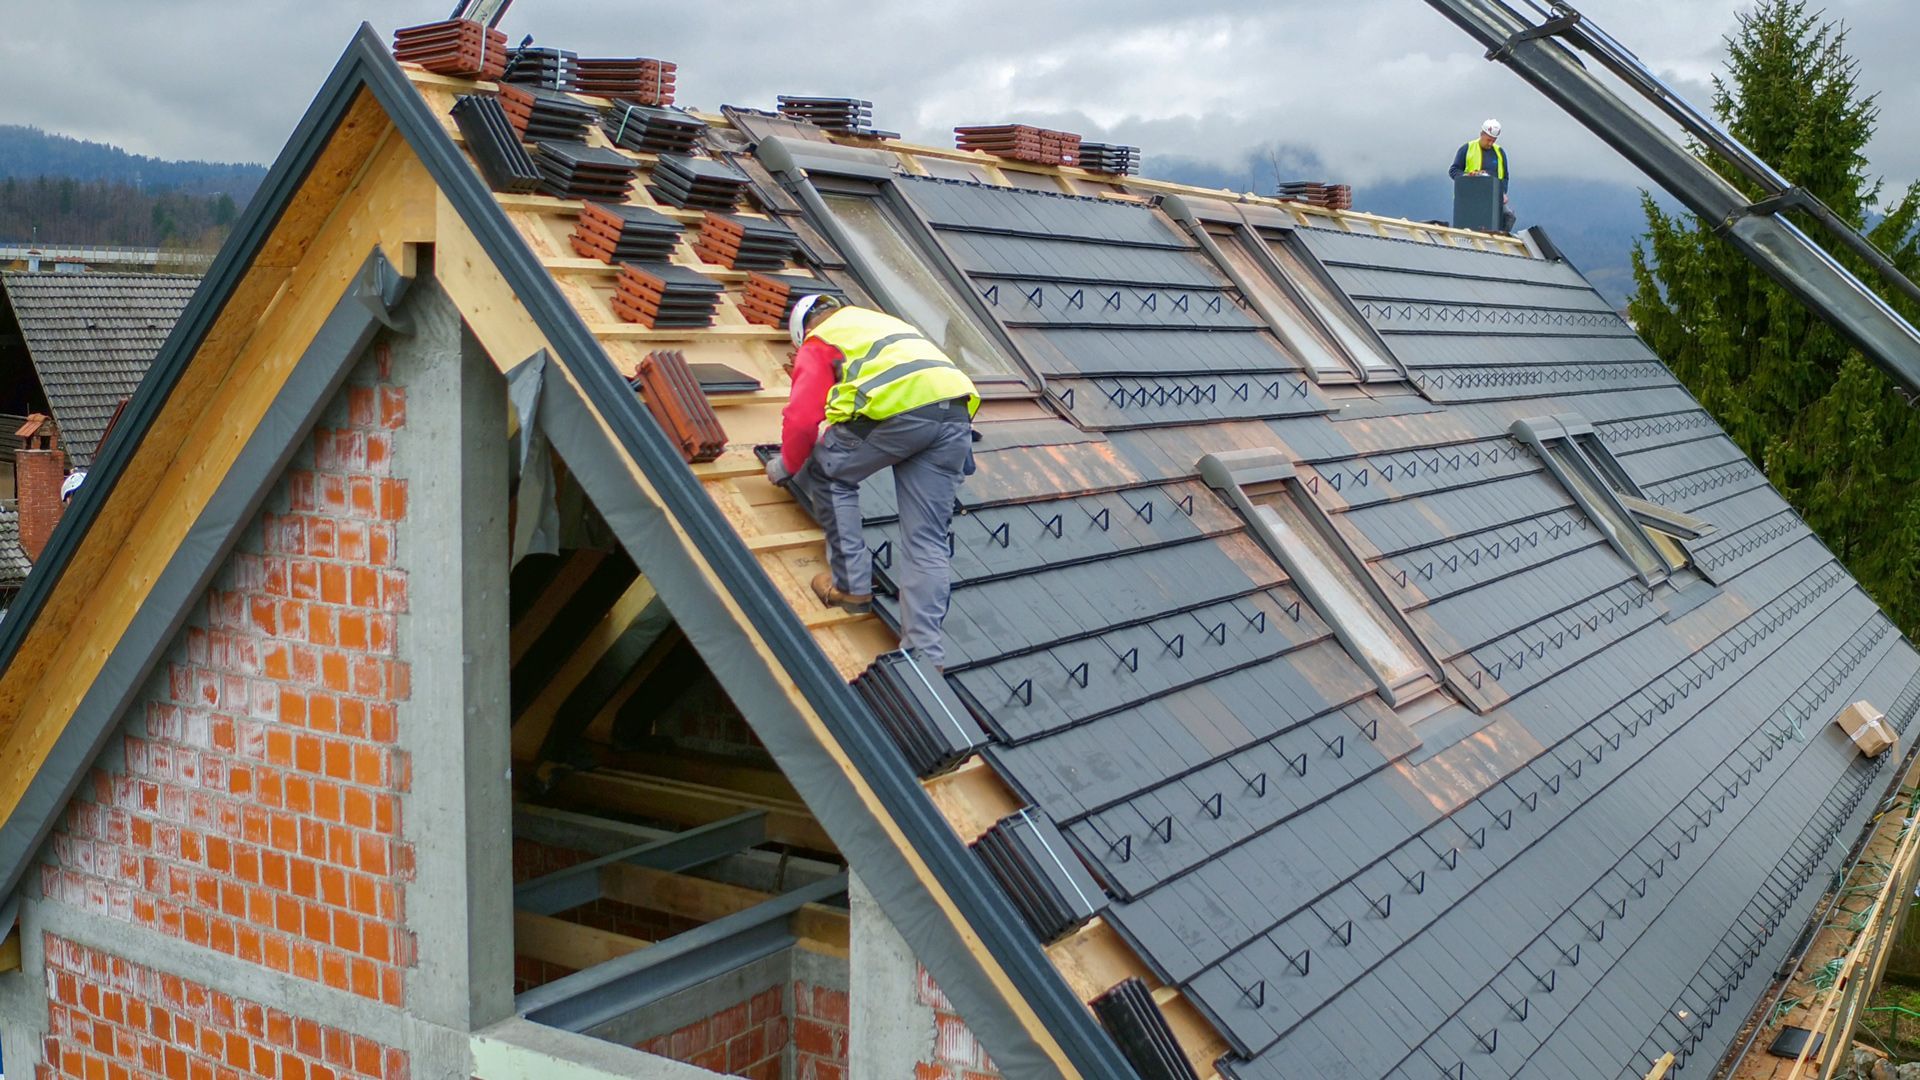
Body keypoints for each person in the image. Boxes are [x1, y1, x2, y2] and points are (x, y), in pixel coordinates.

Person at [765, 295, 979, 669]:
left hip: (899, 416)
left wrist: (785, 465)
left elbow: (801, 419)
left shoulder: (820, 341)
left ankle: (851, 587)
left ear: (804, 331)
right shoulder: (883, 324)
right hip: (954, 418)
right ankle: (924, 656)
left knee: (827, 471)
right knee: (927, 540)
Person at [1449, 118, 1516, 232]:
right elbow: (1453, 171)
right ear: (1482, 134)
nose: (1490, 143)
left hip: (1492, 198)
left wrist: (1503, 193)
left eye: (1493, 141)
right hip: (1469, 199)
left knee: (1509, 217)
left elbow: (1504, 177)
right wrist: (1467, 176)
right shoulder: (1467, 149)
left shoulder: (1499, 152)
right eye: (1488, 140)